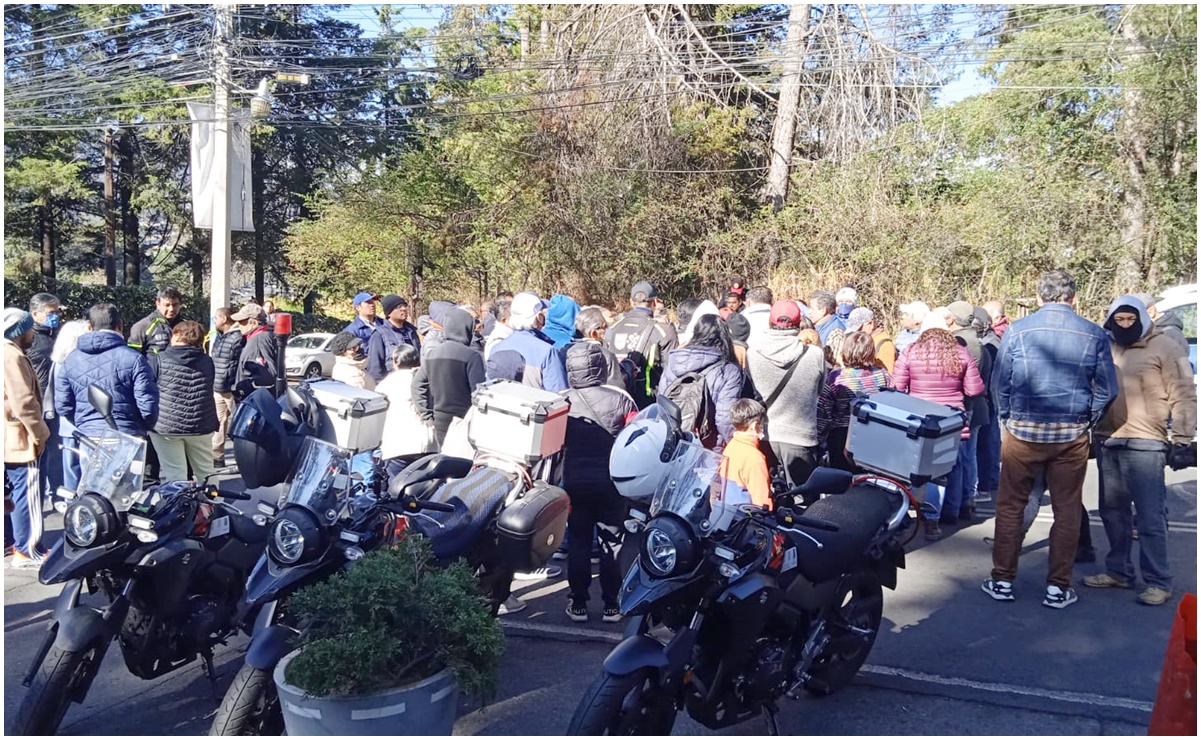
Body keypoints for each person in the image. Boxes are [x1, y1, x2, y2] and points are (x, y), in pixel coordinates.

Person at [984, 270, 1118, 609]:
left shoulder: (1017, 330)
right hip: (1070, 433)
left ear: (1039, 297)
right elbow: (1107, 389)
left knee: (1011, 506)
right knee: (1067, 509)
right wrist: (1087, 420)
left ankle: (1002, 580)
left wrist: (1006, 421)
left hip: (1022, 431)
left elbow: (1000, 384)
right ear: (1073, 298)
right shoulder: (1094, 333)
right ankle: (1058, 587)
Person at [1083, 296, 1195, 606]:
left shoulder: (1166, 346)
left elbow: (1184, 392)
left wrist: (1184, 437)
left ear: (1142, 319)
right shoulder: (1104, 345)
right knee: (1112, 513)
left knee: (1149, 517)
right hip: (1108, 438)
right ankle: (1118, 571)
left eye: (1130, 320)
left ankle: (1159, 580)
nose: (1124, 325)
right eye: (1118, 320)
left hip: (1147, 441)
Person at [562, 340, 637, 623]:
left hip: (574, 481)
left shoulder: (561, 399)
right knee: (613, 542)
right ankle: (612, 605)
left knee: (579, 541)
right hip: (612, 482)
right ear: (599, 365)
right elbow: (636, 435)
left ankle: (578, 603)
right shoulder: (621, 398)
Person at [892, 319, 984, 540]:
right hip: (949, 421)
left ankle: (906, 516)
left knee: (911, 469)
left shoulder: (911, 351)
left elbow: (896, 386)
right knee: (943, 471)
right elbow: (974, 389)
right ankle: (937, 520)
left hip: (918, 419)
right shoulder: (960, 353)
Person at [746, 301, 826, 489]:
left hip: (765, 434)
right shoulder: (814, 354)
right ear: (799, 324)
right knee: (804, 504)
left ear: (770, 322)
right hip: (801, 437)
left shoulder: (753, 352)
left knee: (768, 500)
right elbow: (819, 391)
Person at [56, 303, 159, 439]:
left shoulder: (71, 359)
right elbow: (148, 405)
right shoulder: (134, 358)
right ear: (121, 325)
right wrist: (140, 428)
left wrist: (84, 423)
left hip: (89, 435)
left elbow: (63, 404)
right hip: (129, 435)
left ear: (89, 327)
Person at [4, 309, 51, 567]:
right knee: (28, 492)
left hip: (8, 435)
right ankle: (27, 549)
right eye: (31, 328)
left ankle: (10, 542)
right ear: (21, 330)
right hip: (21, 437)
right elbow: (23, 402)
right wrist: (40, 433)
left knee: (9, 494)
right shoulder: (11, 355)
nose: (34, 332)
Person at [147, 321, 218, 484]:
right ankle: (213, 505)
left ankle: (180, 506)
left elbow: (149, 389)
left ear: (177, 336)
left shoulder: (158, 359)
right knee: (206, 471)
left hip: (167, 425)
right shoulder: (207, 361)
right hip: (201, 424)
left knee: (175, 473)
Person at [657, 314, 743, 449]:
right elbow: (725, 419)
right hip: (710, 444)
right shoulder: (728, 370)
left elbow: (663, 399)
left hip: (676, 439)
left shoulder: (674, 361)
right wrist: (735, 445)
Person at [817, 331, 892, 471]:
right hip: (873, 433)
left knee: (842, 482)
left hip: (842, 437)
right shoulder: (883, 375)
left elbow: (823, 412)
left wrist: (819, 439)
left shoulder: (836, 378)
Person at [947, 301, 993, 522]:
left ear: (953, 319)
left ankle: (965, 499)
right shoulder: (976, 341)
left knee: (963, 456)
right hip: (974, 405)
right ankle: (968, 500)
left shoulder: (964, 343)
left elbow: (969, 384)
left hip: (967, 406)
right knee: (968, 455)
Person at [413, 307, 486, 446]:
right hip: (465, 422)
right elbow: (478, 394)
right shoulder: (472, 356)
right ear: (467, 328)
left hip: (438, 420)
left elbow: (417, 386)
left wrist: (427, 416)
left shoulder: (432, 354)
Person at [605, 281, 678, 408]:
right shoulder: (663, 330)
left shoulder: (612, 328)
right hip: (649, 404)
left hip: (617, 401)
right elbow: (671, 372)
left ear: (631, 302)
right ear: (655, 302)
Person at [487, 292, 568, 392]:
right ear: (538, 317)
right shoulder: (547, 351)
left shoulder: (496, 348)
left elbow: (490, 388)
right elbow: (559, 397)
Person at [376, 344, 435, 479]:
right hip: (428, 443)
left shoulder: (387, 384)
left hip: (398, 444)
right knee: (424, 489)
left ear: (395, 362)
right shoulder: (428, 380)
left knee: (397, 490)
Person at [48, 320, 90, 492]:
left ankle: (71, 503)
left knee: (71, 467)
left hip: (68, 423)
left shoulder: (58, 362)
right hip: (80, 421)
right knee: (85, 466)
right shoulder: (73, 363)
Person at [28, 293, 62, 501]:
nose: (55, 316)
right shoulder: (29, 337)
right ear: (35, 314)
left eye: (57, 312)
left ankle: (57, 493)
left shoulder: (58, 335)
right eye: (51, 313)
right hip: (35, 401)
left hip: (56, 402)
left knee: (56, 451)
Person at [209, 307, 244, 468]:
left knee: (237, 423)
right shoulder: (219, 337)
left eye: (216, 318)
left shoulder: (238, 338)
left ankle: (242, 457)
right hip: (217, 386)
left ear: (223, 319)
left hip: (231, 388)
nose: (214, 321)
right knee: (218, 423)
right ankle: (217, 457)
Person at [722, 398, 772, 509]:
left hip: (728, 514)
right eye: (762, 424)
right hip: (746, 518)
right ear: (755, 426)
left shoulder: (731, 446)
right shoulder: (754, 458)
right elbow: (762, 503)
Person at [366, 294, 420, 384]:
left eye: (404, 306)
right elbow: (375, 369)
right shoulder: (379, 335)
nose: (403, 309)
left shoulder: (412, 331)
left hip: (415, 382)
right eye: (399, 307)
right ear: (389, 313)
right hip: (393, 385)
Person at [574, 307, 626, 389]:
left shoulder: (565, 351)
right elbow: (617, 390)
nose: (608, 330)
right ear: (593, 334)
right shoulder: (606, 356)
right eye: (605, 326)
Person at [232, 302, 277, 388]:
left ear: (254, 323)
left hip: (254, 397)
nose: (239, 325)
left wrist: (243, 387)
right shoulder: (258, 337)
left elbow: (266, 376)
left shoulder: (259, 340)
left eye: (242, 322)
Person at [128, 286, 183, 355]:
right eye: (167, 305)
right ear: (158, 304)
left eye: (175, 305)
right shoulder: (142, 326)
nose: (171, 309)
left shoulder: (186, 327)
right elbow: (132, 358)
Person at [846, 307, 896, 373]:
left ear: (871, 324)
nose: (856, 333)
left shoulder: (884, 345)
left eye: (859, 329)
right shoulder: (865, 340)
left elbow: (888, 375)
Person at [809, 290, 846, 363]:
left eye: (812, 308)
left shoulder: (836, 333)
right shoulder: (817, 327)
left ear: (823, 310)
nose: (809, 312)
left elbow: (835, 363)